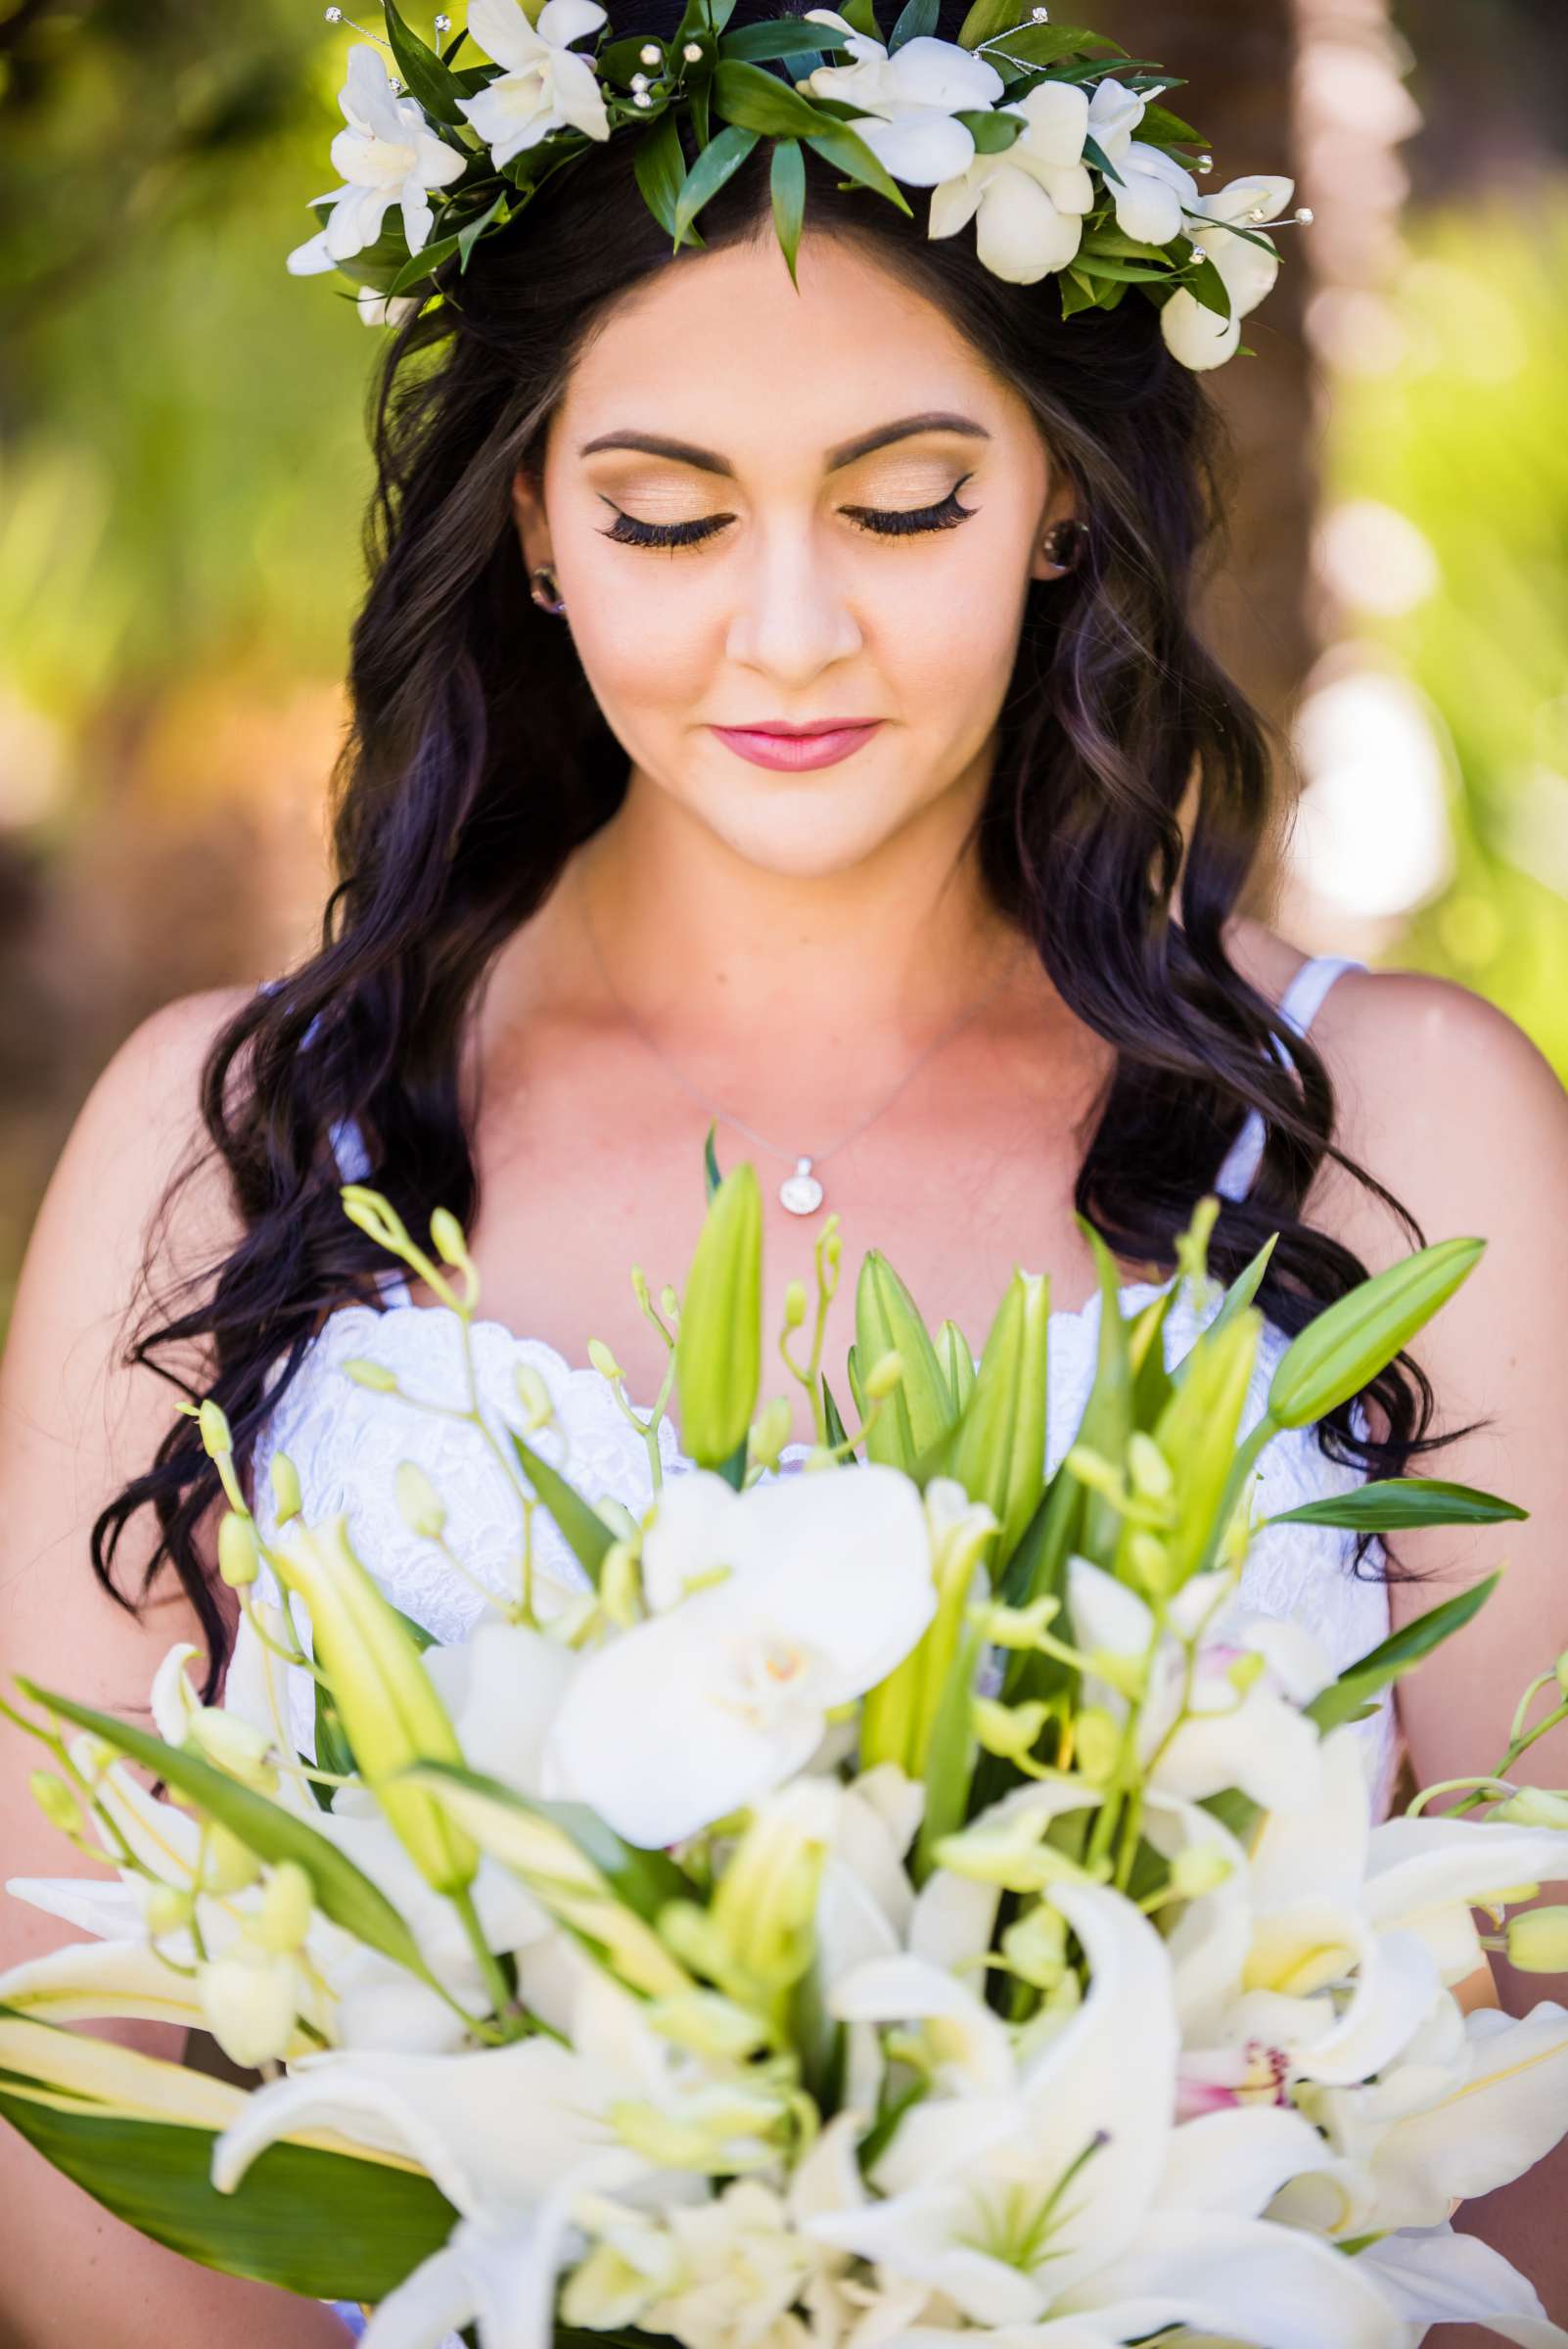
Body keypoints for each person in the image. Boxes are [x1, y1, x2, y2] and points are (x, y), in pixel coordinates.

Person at [3, 2, 1567, 2339]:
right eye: (664, 515)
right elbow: (74, 2104)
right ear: (531, 526)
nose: (791, 627)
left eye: (907, 500)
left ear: (1056, 494)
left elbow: (1536, 2070)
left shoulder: (1408, 1135)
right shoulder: (218, 1149)